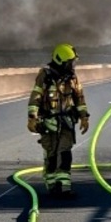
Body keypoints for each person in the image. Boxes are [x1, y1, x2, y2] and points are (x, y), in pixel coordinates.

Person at [26, 43, 90, 198]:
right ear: (61, 61)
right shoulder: (45, 76)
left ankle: (65, 187)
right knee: (51, 155)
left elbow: (79, 99)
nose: (73, 65)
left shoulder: (73, 78)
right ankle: (52, 185)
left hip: (66, 122)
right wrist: (32, 117)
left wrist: (84, 117)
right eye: (70, 62)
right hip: (48, 123)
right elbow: (36, 97)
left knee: (66, 153)